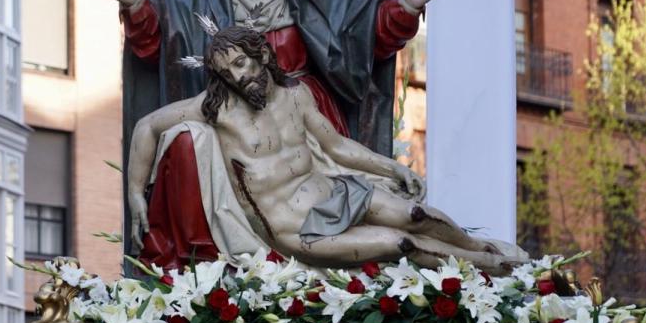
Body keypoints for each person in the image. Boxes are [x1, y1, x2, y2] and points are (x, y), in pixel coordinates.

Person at [96, 0, 450, 266]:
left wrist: (407, 6)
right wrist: (137, 6)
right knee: (189, 141)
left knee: (395, 219)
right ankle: (213, 260)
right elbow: (167, 36)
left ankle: (477, 263)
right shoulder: (209, 7)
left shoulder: (307, 0)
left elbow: (361, 34)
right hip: (240, 133)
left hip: (304, 118)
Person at [127, 26, 524, 273]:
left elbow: (337, 146)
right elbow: (147, 125)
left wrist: (391, 168)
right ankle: (488, 266)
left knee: (416, 214)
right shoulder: (217, 109)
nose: (236, 77)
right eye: (225, 72)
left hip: (333, 194)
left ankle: (479, 247)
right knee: (398, 244)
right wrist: (134, 193)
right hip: (297, 229)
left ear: (262, 55)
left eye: (241, 64)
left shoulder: (296, 96)